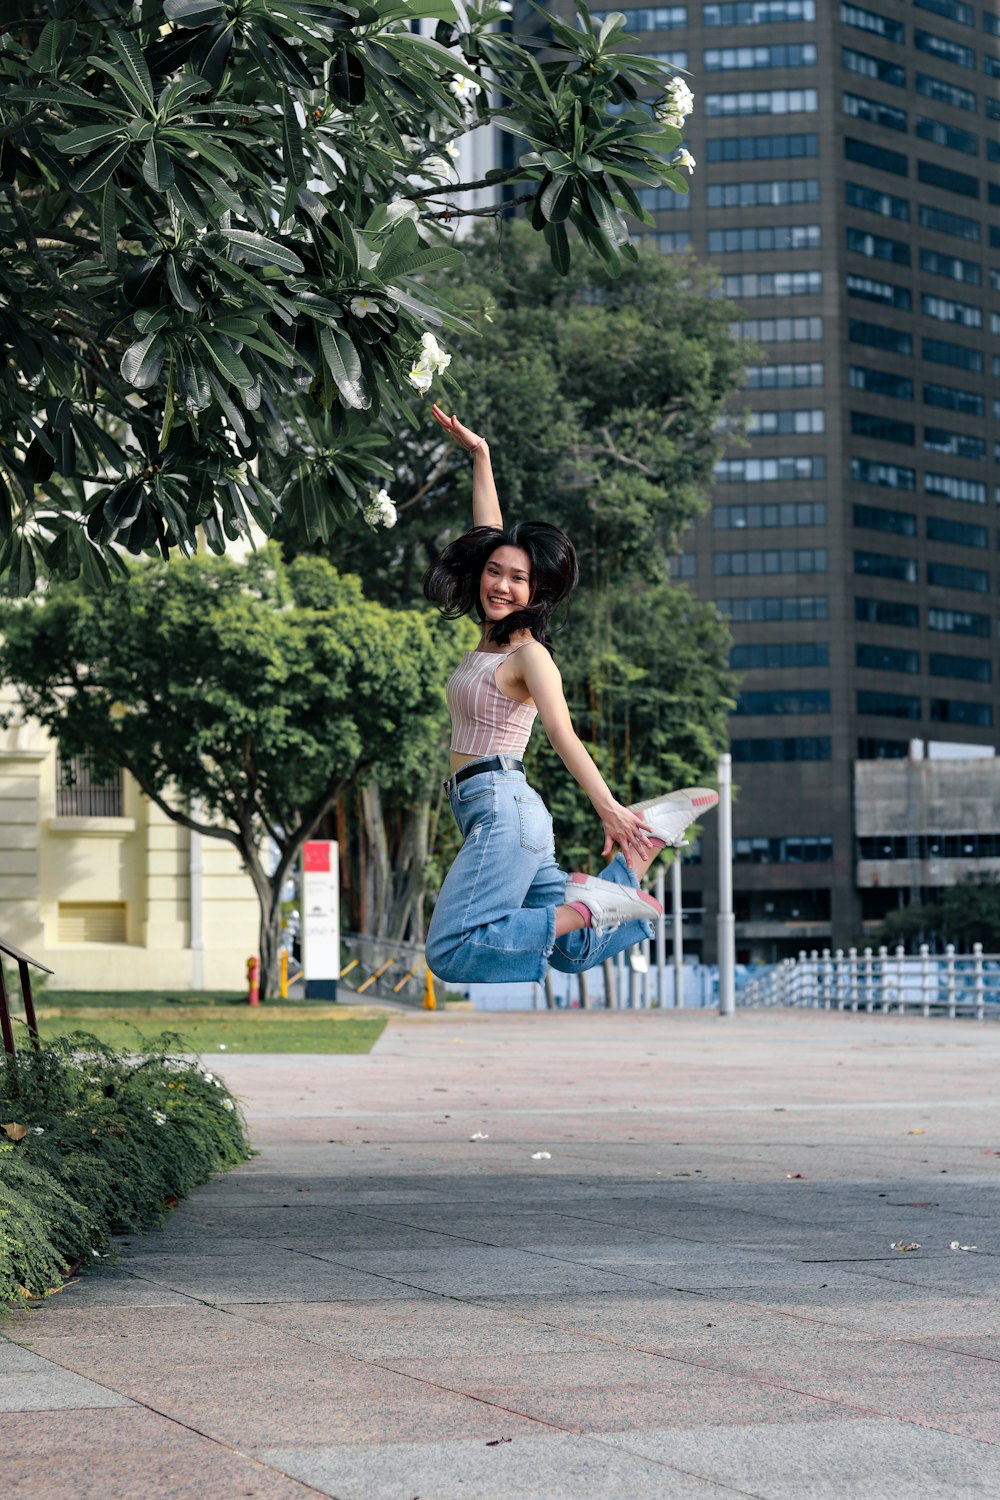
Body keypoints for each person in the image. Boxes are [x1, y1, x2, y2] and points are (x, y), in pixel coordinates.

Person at [423, 404, 718, 986]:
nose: (501, 585)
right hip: (499, 811)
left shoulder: (528, 655)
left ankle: (593, 903)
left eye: (518, 579)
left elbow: (562, 734)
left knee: (450, 950)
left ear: (536, 592)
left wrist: (608, 807)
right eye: (494, 572)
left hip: (503, 808)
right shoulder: (490, 640)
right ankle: (629, 870)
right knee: (573, 951)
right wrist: (481, 457)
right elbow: (489, 535)